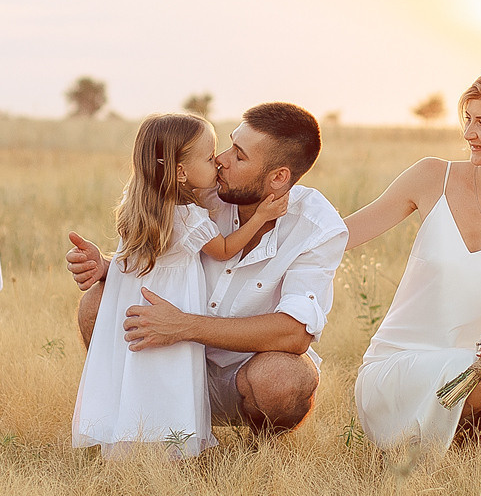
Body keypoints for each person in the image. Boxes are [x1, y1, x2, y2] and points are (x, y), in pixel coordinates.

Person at [66, 102, 345, 437]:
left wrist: (183, 326)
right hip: (169, 359)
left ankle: (263, 449)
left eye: (239, 155)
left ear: (278, 177)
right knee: (95, 303)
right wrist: (107, 269)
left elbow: (294, 334)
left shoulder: (316, 225)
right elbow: (162, 263)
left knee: (283, 379)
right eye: (227, 145)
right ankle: (123, 422)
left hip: (241, 374)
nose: (221, 160)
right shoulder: (197, 192)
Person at [341, 68, 481, 450]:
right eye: (467, 119)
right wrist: (267, 222)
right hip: (399, 365)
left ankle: (475, 441)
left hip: (476, 369)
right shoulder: (432, 176)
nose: (468, 133)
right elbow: (345, 234)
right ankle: (423, 441)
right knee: (477, 378)